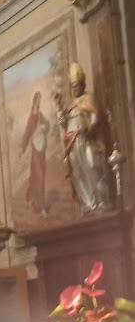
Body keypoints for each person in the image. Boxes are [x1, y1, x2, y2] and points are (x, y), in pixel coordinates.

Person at [55, 62, 112, 214]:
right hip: (73, 143)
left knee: (93, 167)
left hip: (87, 139)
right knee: (78, 172)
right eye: (73, 87)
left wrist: (91, 128)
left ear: (82, 85)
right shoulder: (70, 105)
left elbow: (95, 116)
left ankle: (102, 201)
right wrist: (59, 107)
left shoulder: (89, 98)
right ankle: (89, 204)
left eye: (77, 86)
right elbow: (63, 123)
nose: (75, 89)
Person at [20, 90, 50, 214]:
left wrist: (44, 127)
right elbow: (27, 134)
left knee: (39, 178)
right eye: (38, 100)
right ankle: (41, 207)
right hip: (35, 154)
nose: (39, 102)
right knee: (39, 178)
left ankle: (35, 201)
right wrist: (22, 148)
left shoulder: (41, 115)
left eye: (40, 100)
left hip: (42, 151)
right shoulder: (31, 118)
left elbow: (47, 126)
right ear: (34, 101)